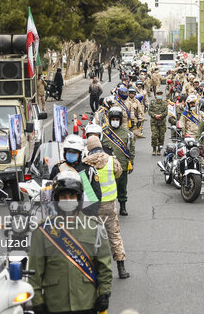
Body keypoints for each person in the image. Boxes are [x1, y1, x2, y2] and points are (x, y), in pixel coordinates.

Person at [29, 170, 112, 314]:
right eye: (63, 196)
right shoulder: (43, 231)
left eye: (72, 196)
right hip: (55, 304)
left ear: (79, 198)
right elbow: (34, 273)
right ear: (56, 199)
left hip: (86, 302)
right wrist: (37, 302)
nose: (68, 199)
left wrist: (104, 293)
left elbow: (104, 265)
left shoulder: (95, 227)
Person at [83, 136, 131, 279]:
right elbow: (119, 172)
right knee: (114, 235)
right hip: (110, 205)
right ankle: (121, 269)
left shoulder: (85, 163)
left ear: (89, 148)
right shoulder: (111, 160)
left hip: (92, 206)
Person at [101, 107, 135, 216]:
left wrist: (131, 162)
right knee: (107, 188)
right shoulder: (103, 132)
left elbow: (131, 149)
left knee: (122, 187)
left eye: (117, 119)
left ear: (120, 120)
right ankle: (109, 208)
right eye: (113, 119)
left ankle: (123, 207)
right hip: (106, 166)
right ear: (110, 119)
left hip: (122, 165)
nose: (115, 121)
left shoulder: (127, 133)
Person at [149, 87, 168, 155]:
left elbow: (166, 112)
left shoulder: (165, 103)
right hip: (154, 122)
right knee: (154, 135)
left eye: (160, 94)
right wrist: (155, 115)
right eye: (158, 94)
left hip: (162, 122)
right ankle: (154, 149)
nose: (159, 95)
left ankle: (159, 149)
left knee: (161, 137)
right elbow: (149, 111)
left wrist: (161, 116)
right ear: (156, 95)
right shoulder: (152, 102)